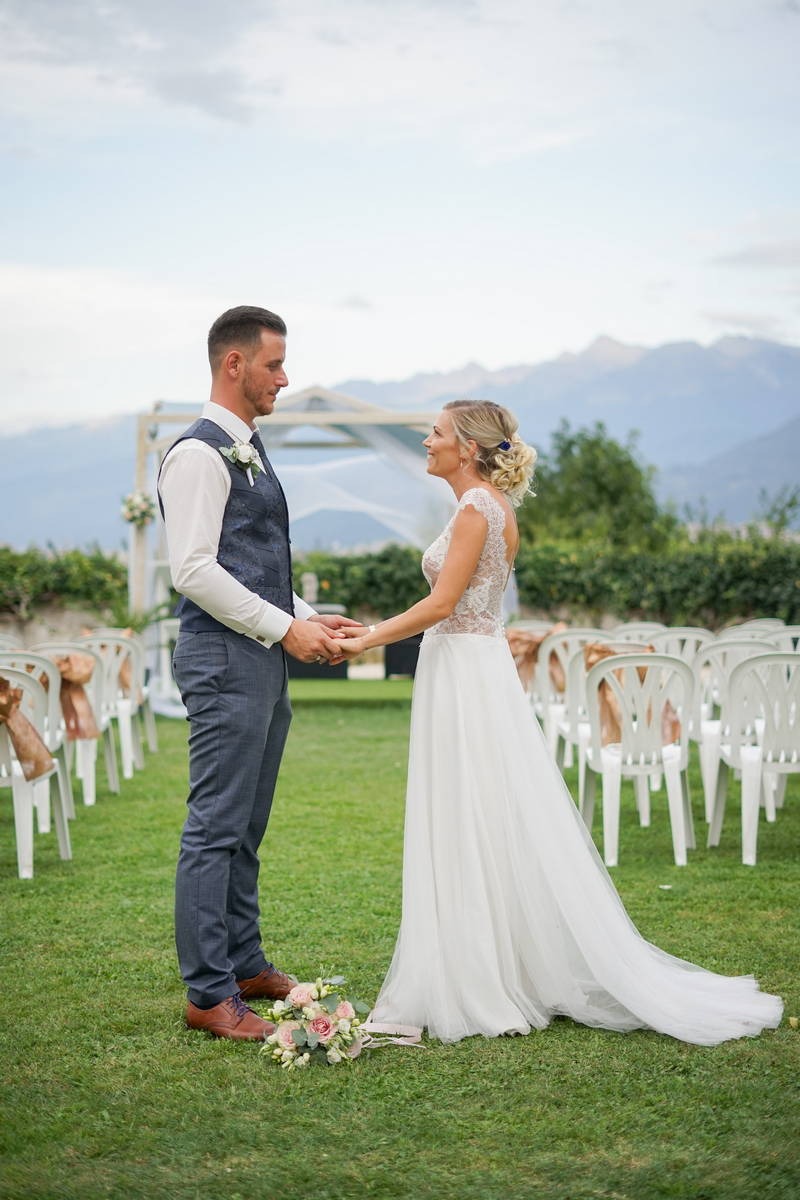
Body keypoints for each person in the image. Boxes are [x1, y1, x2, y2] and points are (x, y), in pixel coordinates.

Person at [338, 400, 783, 1045]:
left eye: (435, 433)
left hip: (466, 670)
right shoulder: (492, 509)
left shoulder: (474, 511)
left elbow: (443, 602)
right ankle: (496, 961)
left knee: (470, 809)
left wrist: (365, 639)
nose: (425, 442)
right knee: (481, 808)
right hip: (471, 666)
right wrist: (371, 631)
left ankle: (480, 975)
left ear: (466, 448)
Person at [158, 305, 360, 1042]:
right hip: (222, 659)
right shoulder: (198, 454)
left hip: (260, 657)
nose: (285, 376)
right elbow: (192, 570)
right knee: (215, 826)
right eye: (274, 363)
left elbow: (253, 561)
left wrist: (309, 614)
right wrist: (286, 627)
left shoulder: (251, 447)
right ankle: (208, 993)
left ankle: (245, 965)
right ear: (233, 365)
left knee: (247, 824)